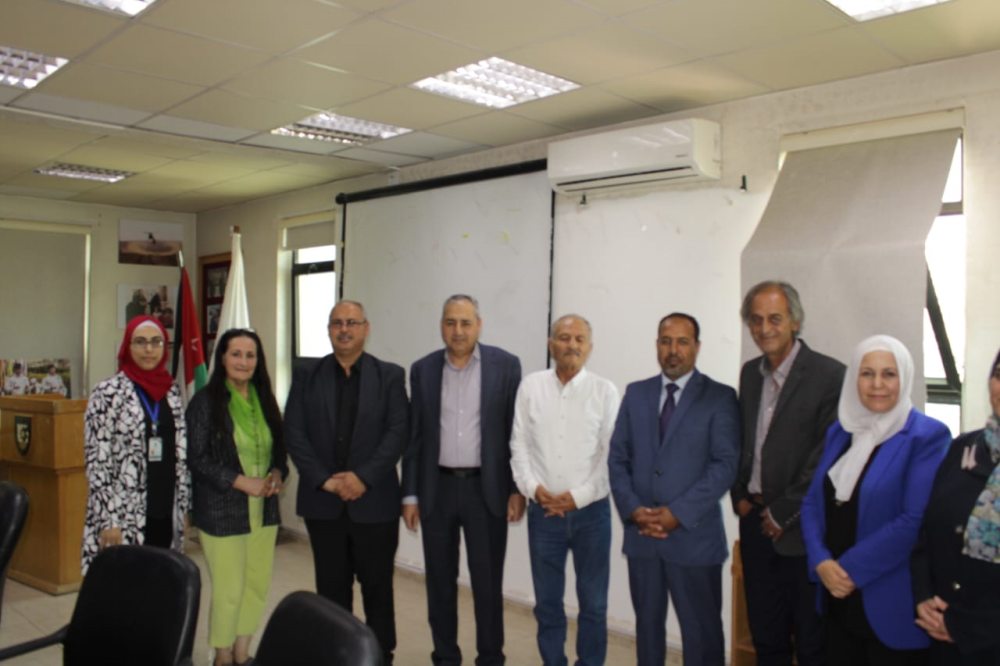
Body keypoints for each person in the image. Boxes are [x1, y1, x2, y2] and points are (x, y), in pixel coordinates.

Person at [801, 335, 951, 665]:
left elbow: (913, 521)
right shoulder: (841, 431)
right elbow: (812, 503)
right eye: (867, 373)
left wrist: (846, 570)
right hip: (835, 596)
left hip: (888, 599)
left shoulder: (927, 436)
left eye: (889, 374)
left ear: (905, 378)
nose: (877, 384)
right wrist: (820, 562)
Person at [609, 313, 741, 666]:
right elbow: (618, 458)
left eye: (683, 342)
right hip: (642, 537)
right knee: (648, 632)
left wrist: (677, 514)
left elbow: (725, 465)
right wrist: (634, 510)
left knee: (702, 636)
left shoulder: (719, 397)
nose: (673, 350)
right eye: (666, 341)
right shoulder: (636, 394)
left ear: (697, 347)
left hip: (693, 539)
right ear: (657, 345)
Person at [284, 300, 408, 665]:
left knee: (378, 589)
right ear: (328, 330)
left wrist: (362, 477)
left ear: (366, 328)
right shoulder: (307, 375)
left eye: (352, 322)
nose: (344, 329)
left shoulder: (389, 376)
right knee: (331, 590)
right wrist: (325, 480)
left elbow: (398, 432)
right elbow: (294, 432)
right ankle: (337, 655)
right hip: (323, 504)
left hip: (375, 504)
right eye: (337, 323)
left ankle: (380, 656)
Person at [402, 294, 523, 665]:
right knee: (439, 583)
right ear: (442, 326)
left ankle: (490, 657)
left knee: (487, 584)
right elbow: (415, 437)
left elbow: (516, 433)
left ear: (479, 325)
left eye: (465, 323)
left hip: (486, 491)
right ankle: (445, 656)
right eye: (450, 322)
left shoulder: (506, 366)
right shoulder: (422, 369)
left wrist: (517, 489)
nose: (458, 331)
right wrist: (410, 495)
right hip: (436, 489)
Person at [730, 281, 846, 666]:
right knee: (767, 638)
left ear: (795, 321)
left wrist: (784, 512)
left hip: (802, 530)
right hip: (755, 524)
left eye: (775, 318)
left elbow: (826, 456)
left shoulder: (830, 375)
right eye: (756, 319)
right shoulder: (750, 373)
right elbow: (743, 441)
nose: (765, 328)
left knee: (812, 643)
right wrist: (739, 495)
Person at [509, 314, 619, 666]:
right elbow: (519, 444)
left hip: (592, 515)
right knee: (547, 604)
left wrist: (578, 497)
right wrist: (532, 489)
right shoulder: (530, 387)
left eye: (579, 339)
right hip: (543, 514)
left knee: (594, 605)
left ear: (589, 347)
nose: (571, 344)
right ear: (551, 344)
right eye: (564, 337)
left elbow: (611, 455)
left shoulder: (604, 391)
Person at [186, 329, 288, 666]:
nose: (243, 361)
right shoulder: (205, 402)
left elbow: (280, 449)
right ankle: (223, 655)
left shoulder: (265, 399)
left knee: (256, 584)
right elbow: (196, 458)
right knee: (229, 589)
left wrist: (277, 473)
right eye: (236, 354)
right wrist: (240, 481)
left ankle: (243, 653)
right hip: (222, 510)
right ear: (222, 358)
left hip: (264, 510)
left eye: (250, 355)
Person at [911, 348, 1000, 665]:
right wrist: (923, 596)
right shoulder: (964, 447)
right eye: (999, 375)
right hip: (941, 632)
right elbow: (928, 529)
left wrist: (967, 627)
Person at [81, 315, 190, 573]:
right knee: (125, 586)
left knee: (161, 583)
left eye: (156, 342)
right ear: (127, 346)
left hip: (165, 506)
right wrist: (108, 519)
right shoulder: (107, 392)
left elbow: (180, 455)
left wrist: (183, 507)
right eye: (140, 342)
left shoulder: (171, 391)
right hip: (124, 513)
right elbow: (97, 461)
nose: (149, 349)